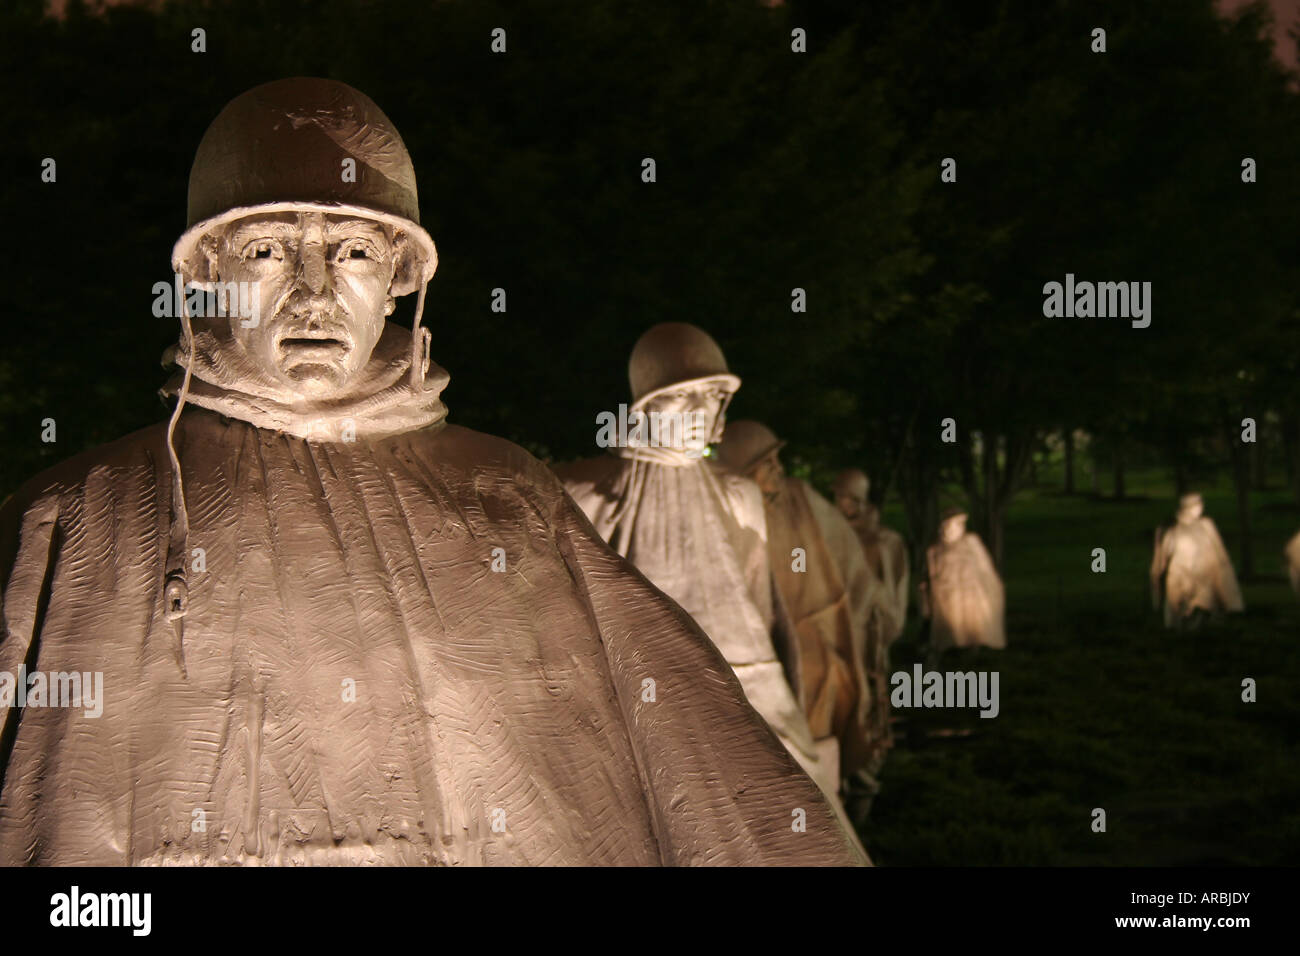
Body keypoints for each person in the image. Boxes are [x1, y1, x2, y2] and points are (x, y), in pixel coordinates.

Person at [0, 79, 866, 866]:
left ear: (402, 281)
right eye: (266, 251)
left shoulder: (506, 494)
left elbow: (704, 754)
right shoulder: (77, 515)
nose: (313, 290)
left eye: (354, 255)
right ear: (208, 277)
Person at [553, 325, 852, 818]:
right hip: (638, 695)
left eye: (712, 395)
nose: (700, 409)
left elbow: (758, 604)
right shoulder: (585, 494)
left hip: (748, 688)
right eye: (680, 395)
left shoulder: (740, 497)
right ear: (645, 407)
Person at [1150, 493, 1244, 630]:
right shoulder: (1171, 529)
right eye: (1196, 505)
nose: (1200, 508)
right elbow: (1160, 559)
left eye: (1200, 505)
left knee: (1204, 609)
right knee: (1181, 611)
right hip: (1180, 578)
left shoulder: (1206, 526)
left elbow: (1220, 558)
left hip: (1203, 578)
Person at [920, 508, 1007, 653]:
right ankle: (953, 646)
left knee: (971, 622)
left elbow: (984, 567)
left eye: (959, 524)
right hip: (947, 592)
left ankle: (973, 646)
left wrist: (987, 586)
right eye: (953, 524)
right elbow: (932, 572)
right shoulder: (935, 550)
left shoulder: (971, 542)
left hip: (970, 591)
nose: (956, 528)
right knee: (953, 623)